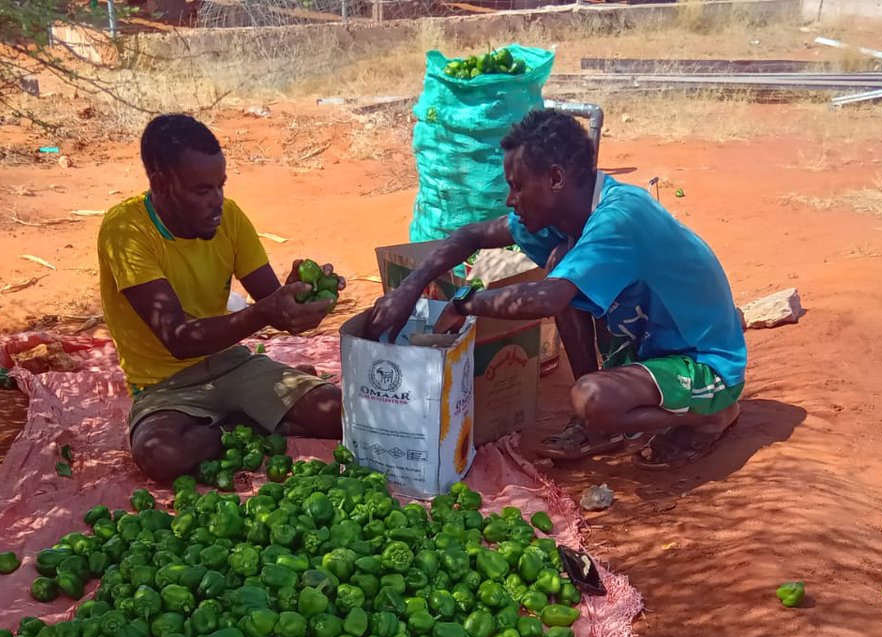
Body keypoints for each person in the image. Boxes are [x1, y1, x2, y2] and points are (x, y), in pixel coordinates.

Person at [368, 108, 747, 467]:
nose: (509, 200)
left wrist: (464, 304)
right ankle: (597, 427)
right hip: (650, 349)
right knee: (559, 261)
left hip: (704, 361)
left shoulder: (621, 216)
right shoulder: (565, 216)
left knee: (592, 398)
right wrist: (408, 289)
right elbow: (472, 235)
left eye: (517, 187)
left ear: (554, 179)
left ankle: (712, 413)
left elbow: (549, 298)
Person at [98, 113, 343, 482]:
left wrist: (298, 297)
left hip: (233, 365)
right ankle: (245, 420)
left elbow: (273, 304)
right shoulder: (127, 231)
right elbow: (178, 339)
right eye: (202, 190)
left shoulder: (229, 217)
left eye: (220, 186)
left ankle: (238, 419)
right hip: (166, 386)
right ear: (162, 185)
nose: (217, 202)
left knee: (340, 413)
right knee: (160, 455)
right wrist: (266, 311)